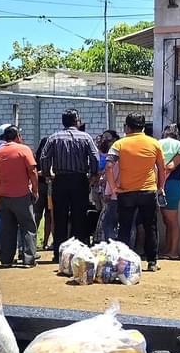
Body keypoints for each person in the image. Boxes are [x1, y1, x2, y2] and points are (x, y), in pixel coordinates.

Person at [107, 113, 167, 271]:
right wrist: (160, 187)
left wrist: (114, 188)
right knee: (150, 227)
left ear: (127, 127)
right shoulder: (154, 143)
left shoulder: (119, 144)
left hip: (126, 193)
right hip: (148, 191)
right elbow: (162, 168)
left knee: (124, 228)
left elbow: (109, 166)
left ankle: (122, 263)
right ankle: (152, 261)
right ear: (143, 127)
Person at [42, 109, 99, 262]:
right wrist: (93, 174)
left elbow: (44, 157)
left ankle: (58, 254)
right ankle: (78, 252)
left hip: (60, 180)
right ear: (76, 121)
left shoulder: (54, 137)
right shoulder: (86, 137)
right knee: (79, 216)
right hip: (80, 180)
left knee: (59, 217)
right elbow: (94, 156)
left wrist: (47, 174)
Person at [0, 123, 39, 268]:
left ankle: (6, 259)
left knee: (7, 228)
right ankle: (28, 258)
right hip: (22, 195)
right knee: (28, 226)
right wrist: (35, 190)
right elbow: (32, 171)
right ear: (17, 136)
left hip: (3, 196)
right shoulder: (24, 150)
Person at [158, 123, 180, 260]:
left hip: (172, 186)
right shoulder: (178, 149)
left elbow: (170, 167)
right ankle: (168, 249)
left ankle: (173, 251)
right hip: (168, 186)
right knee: (167, 221)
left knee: (172, 221)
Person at [93, 129, 120, 243]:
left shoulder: (116, 154)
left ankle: (106, 241)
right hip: (101, 187)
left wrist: (109, 191)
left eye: (108, 138)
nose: (105, 141)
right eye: (103, 138)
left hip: (112, 191)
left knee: (107, 218)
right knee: (102, 213)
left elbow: (111, 172)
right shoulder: (99, 153)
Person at [32, 132, 53, 250]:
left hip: (40, 187)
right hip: (48, 187)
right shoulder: (53, 156)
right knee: (48, 216)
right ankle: (45, 242)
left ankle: (34, 242)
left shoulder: (36, 157)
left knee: (37, 215)